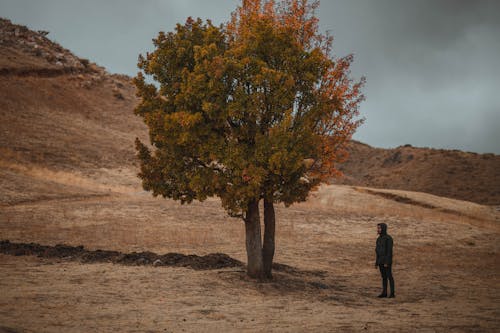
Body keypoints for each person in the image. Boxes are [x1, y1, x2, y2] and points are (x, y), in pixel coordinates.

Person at [375, 223, 395, 298]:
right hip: (380, 261)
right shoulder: (378, 239)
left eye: (379, 228)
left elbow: (389, 251)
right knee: (383, 277)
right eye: (378, 228)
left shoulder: (388, 238)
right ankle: (384, 292)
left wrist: (387, 262)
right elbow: (377, 251)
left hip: (387, 261)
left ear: (383, 228)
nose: (378, 230)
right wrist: (376, 262)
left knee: (389, 276)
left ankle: (392, 293)